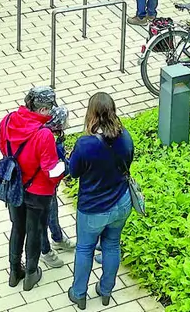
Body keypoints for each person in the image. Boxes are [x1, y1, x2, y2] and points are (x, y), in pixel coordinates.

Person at [65, 92, 135, 309]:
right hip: (122, 202)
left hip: (93, 209)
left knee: (85, 248)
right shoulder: (125, 137)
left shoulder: (85, 144)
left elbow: (73, 172)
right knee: (112, 244)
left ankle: (79, 294)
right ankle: (105, 291)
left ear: (91, 114)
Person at [0, 86, 65, 291]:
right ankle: (31, 274)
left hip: (14, 186)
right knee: (35, 230)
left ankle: (13, 272)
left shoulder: (8, 120)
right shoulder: (43, 134)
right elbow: (50, 170)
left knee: (17, 227)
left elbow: (3, 148)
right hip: (38, 191)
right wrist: (64, 165)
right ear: (44, 110)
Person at [39, 106, 74, 268]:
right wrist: (67, 164)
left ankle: (58, 238)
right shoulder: (49, 141)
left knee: (53, 211)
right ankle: (45, 250)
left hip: (50, 188)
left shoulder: (54, 136)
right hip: (42, 188)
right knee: (42, 219)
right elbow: (55, 168)